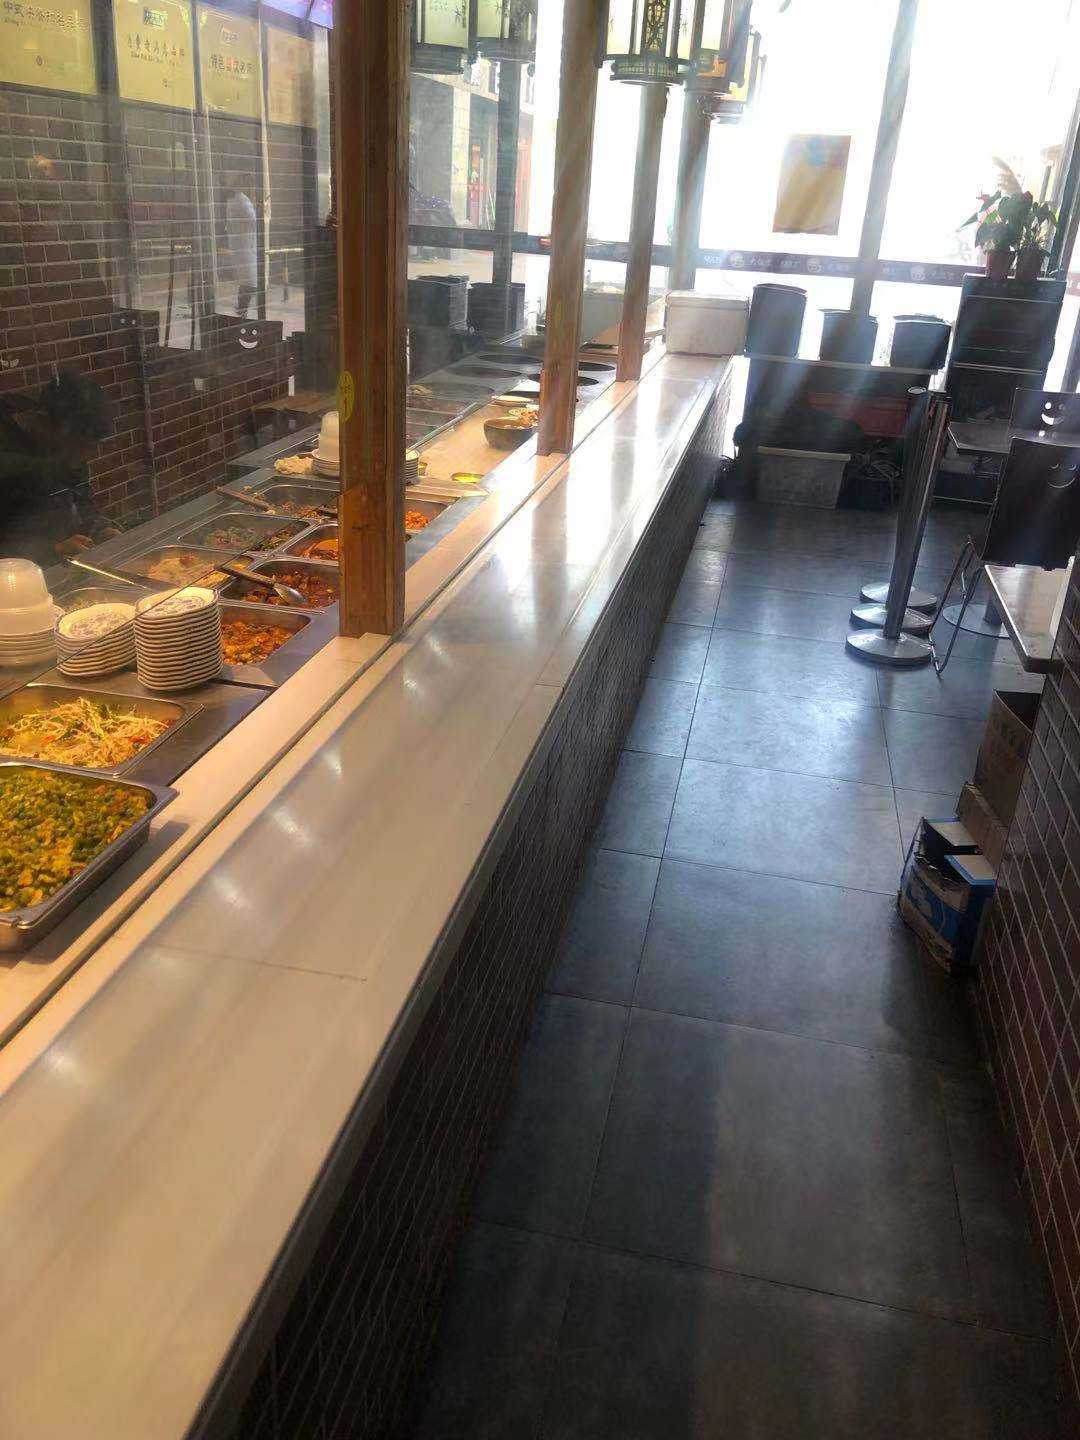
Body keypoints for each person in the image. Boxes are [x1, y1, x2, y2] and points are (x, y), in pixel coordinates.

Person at [0, 370, 120, 567]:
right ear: (44, 422)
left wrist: (100, 529)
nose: (84, 456)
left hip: (66, 565)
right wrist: (52, 549)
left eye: (90, 446)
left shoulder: (68, 443)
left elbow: (80, 498)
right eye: (78, 445)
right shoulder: (7, 454)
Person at [225, 176, 258, 318]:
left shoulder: (234, 200)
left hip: (240, 246)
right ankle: (241, 310)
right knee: (250, 281)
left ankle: (241, 310)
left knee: (247, 280)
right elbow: (253, 220)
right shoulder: (242, 200)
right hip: (245, 247)